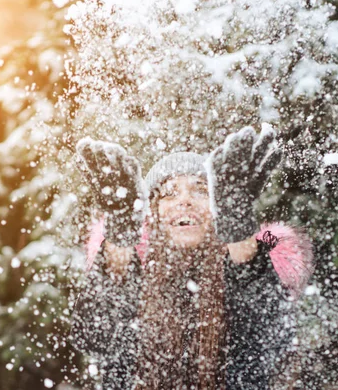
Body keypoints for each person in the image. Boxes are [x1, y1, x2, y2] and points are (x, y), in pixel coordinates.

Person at [70, 125, 314, 389]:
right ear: (153, 213)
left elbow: (271, 338)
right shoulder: (135, 275)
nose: (184, 200)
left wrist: (240, 234)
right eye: (168, 193)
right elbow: (92, 336)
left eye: (200, 190)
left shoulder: (253, 270)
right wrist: (120, 232)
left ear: (218, 208)